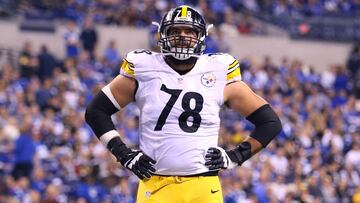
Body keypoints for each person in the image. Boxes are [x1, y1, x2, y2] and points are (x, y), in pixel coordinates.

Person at [85, 5, 282, 203]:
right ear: (162, 35)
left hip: (203, 187)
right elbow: (96, 111)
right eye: (175, 31)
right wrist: (123, 153)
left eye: (190, 31)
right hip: (155, 185)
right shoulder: (144, 68)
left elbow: (269, 122)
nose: (182, 36)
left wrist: (236, 156)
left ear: (201, 36)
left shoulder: (218, 70)